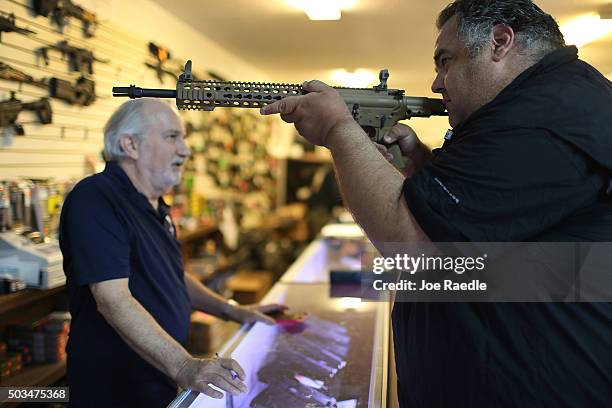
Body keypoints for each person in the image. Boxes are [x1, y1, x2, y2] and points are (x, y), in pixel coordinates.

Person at [261, 0, 612, 406]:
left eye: (446, 61)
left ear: (500, 41)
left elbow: (411, 242)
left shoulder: (541, 115)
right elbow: (490, 235)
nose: (436, 83)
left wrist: (338, 130)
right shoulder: (544, 106)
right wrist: (422, 168)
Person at [59, 98, 285, 408]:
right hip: (114, 388)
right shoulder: (96, 197)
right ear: (130, 145)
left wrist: (234, 311)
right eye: (171, 137)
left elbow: (172, 276)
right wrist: (184, 365)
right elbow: (112, 299)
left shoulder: (155, 206)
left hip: (156, 377)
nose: (185, 150)